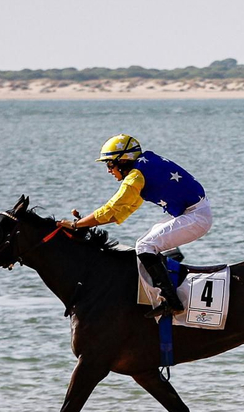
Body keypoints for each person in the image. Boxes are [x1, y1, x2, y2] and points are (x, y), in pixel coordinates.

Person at [56, 135, 212, 318]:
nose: (109, 171)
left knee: (145, 246)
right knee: (145, 242)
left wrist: (76, 225)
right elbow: (122, 211)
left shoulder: (136, 177)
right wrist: (85, 224)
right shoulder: (144, 168)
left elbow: (112, 208)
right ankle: (168, 290)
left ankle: (173, 301)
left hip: (195, 217)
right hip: (195, 213)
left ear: (122, 161)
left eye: (109, 165)